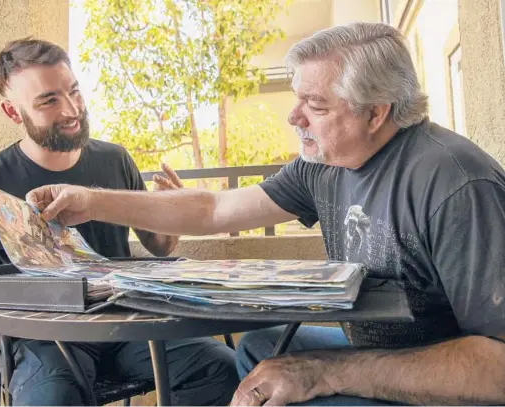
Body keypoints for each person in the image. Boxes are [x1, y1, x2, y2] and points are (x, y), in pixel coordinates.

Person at [25, 22, 505, 406]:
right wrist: (93, 201)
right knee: (261, 349)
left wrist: (326, 373)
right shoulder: (326, 164)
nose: (294, 117)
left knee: (291, 377)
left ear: (376, 112)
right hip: (386, 351)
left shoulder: (456, 184)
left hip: (448, 383)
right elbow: (214, 208)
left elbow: (498, 369)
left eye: (313, 105)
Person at [0, 38, 239, 406]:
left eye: (74, 91)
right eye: (49, 100)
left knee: (224, 369)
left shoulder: (116, 160)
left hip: (129, 325)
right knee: (50, 398)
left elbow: (159, 246)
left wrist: (170, 212)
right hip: (44, 340)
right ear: (13, 113)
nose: (71, 109)